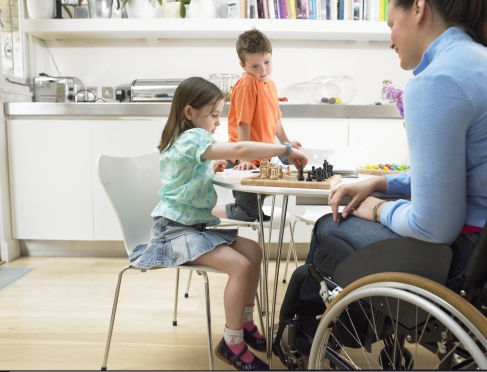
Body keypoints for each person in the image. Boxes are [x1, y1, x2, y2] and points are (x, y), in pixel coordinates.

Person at [300, 0, 487, 310]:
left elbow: (433, 226)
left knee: (328, 227)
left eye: (391, 25)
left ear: (418, 8)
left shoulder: (436, 81)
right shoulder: (478, 61)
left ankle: (302, 346)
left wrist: (377, 210)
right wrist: (383, 184)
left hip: (467, 261)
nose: (390, 40)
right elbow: (462, 175)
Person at [129, 76, 308, 371]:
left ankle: (246, 322)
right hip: (174, 232)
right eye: (213, 115)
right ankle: (232, 341)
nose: (217, 121)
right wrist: (284, 150)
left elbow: (182, 176)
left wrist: (209, 166)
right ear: (190, 113)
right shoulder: (194, 137)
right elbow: (239, 150)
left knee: (253, 251)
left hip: (189, 226)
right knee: (241, 266)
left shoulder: (183, 139)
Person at [212, 28, 302, 223]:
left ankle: (258, 195)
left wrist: (287, 143)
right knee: (250, 214)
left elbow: (276, 123)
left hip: (266, 157)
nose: (262, 71)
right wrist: (245, 157)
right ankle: (206, 213)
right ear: (242, 65)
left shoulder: (270, 85)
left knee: (295, 167)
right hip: (244, 159)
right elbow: (243, 124)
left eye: (267, 62)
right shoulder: (247, 83)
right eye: (255, 66)